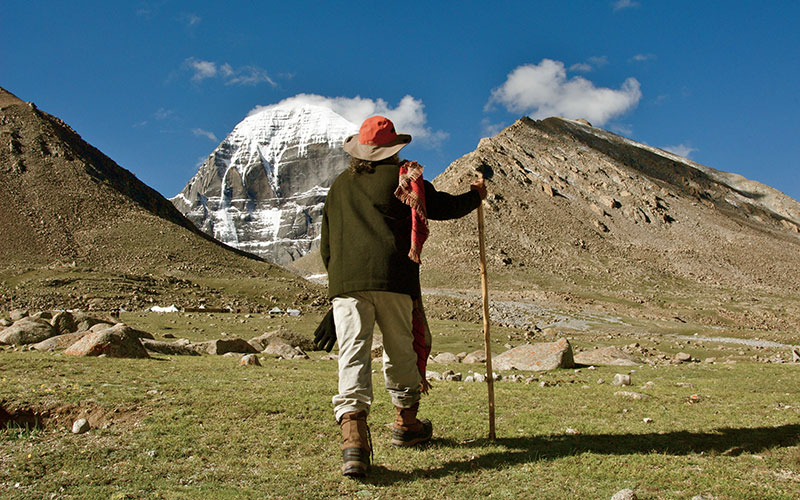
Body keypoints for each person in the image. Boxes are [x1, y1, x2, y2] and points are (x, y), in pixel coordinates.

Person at [320, 115, 486, 477]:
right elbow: (441, 207)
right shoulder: (404, 180)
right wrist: (475, 196)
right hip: (395, 279)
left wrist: (338, 292)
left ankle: (353, 441)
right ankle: (406, 423)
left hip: (347, 285)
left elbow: (327, 246)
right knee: (401, 350)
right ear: (393, 149)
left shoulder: (338, 187)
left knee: (353, 355)